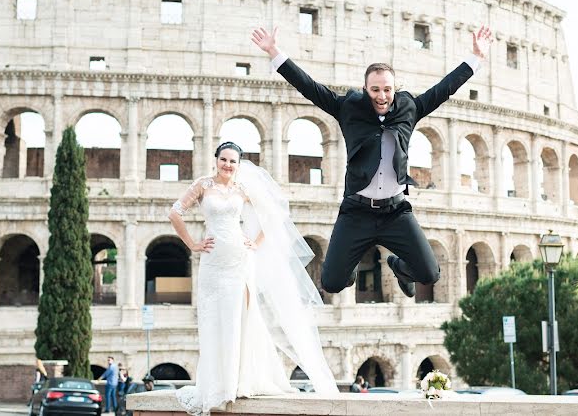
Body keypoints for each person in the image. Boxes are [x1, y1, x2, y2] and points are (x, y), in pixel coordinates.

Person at [251, 25, 492, 297]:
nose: (382, 96)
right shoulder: (348, 108)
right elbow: (310, 87)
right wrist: (274, 51)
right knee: (331, 282)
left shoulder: (409, 109)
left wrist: (475, 59)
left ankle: (399, 266)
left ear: (394, 88)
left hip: (395, 212)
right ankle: (348, 267)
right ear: (365, 89)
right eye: (375, 89)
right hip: (356, 212)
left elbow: (443, 89)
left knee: (429, 274)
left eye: (387, 89)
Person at [169, 141, 337, 415]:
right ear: (216, 160)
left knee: (239, 317)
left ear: (238, 164)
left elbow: (273, 216)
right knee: (212, 318)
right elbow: (175, 212)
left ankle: (237, 381)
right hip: (213, 262)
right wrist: (192, 244)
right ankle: (216, 383)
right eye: (223, 159)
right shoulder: (203, 185)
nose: (227, 165)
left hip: (239, 260)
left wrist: (256, 243)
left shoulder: (243, 189)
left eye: (233, 161)